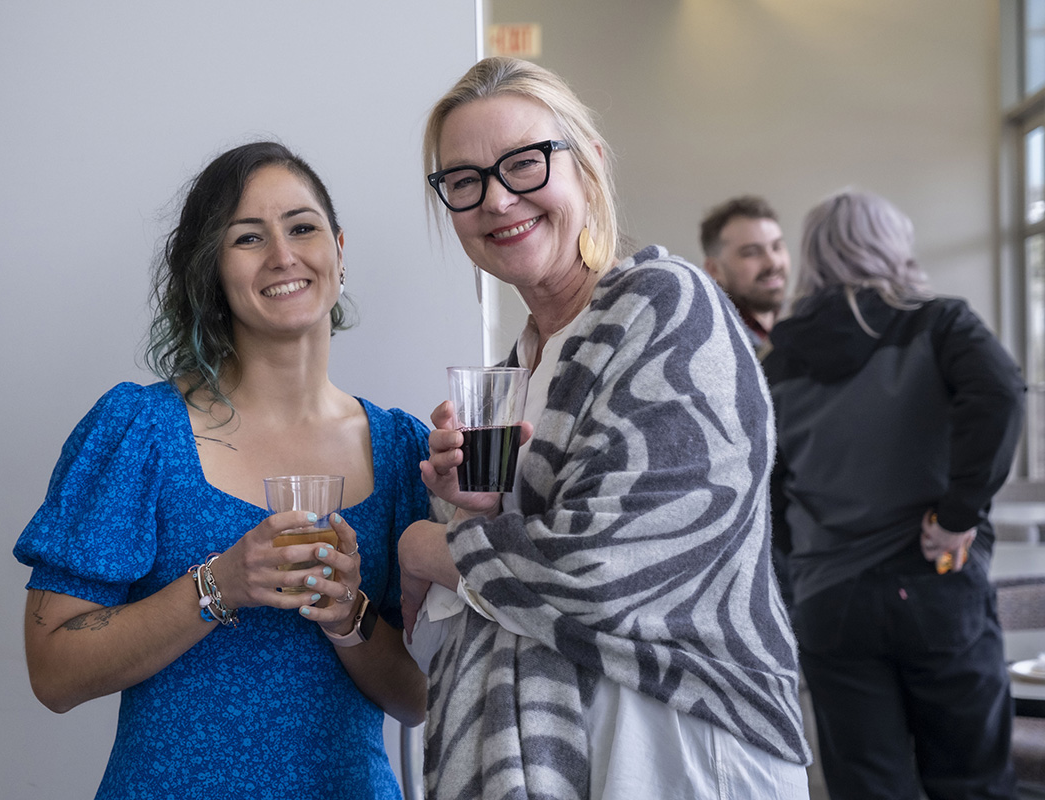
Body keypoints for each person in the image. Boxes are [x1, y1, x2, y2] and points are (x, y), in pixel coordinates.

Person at [398, 56, 811, 800]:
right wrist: (480, 506)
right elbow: (521, 571)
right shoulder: (518, 368)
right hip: (558, 747)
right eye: (464, 181)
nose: (497, 199)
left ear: (586, 163)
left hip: (678, 741)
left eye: (523, 163)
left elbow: (611, 568)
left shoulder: (669, 308)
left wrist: (428, 544)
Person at [13, 141, 429, 799]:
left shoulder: (406, 451)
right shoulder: (141, 433)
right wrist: (220, 584)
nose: (283, 256)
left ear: (339, 250)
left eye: (302, 227)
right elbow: (54, 672)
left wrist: (350, 615)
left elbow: (420, 697)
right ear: (212, 271)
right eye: (247, 238)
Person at [764, 189, 1025, 799]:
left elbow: (768, 491)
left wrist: (796, 579)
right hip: (936, 579)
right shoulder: (940, 322)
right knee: (973, 784)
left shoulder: (776, 361)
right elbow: (1002, 394)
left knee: (868, 789)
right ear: (892, 246)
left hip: (831, 604)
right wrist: (959, 515)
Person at [699, 195, 790, 354]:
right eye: (751, 253)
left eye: (777, 247)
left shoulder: (807, 319)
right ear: (713, 269)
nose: (773, 263)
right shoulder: (709, 344)